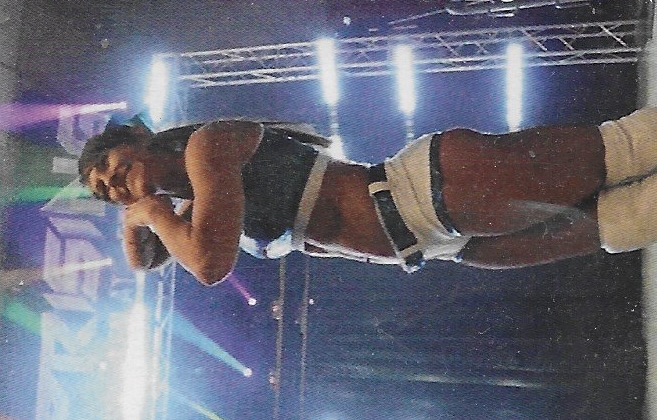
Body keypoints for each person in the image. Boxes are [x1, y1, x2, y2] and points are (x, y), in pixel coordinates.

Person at [78, 109, 657, 286]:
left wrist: (148, 212)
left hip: (426, 193)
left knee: (625, 149)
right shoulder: (192, 209)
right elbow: (148, 261)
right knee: (625, 222)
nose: (110, 183)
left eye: (106, 165)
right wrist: (136, 224)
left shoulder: (206, 151)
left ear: (136, 138)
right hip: (437, 240)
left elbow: (208, 264)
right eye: (103, 191)